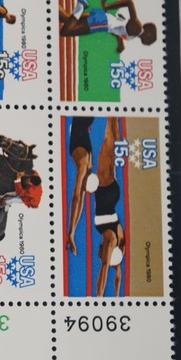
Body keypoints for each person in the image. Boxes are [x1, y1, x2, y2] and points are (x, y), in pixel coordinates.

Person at [90, 117, 128, 297]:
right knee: (109, 143)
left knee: (112, 145)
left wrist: (117, 294)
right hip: (105, 193)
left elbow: (118, 274)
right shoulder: (111, 241)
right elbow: (104, 269)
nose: (100, 253)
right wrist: (99, 298)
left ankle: (113, 116)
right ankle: (111, 115)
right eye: (102, 253)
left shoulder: (120, 243)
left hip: (111, 197)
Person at [59, 0, 157, 52]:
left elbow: (117, 30)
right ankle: (81, 5)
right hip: (101, 22)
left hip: (102, 19)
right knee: (66, 31)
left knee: (66, 19)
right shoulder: (138, 29)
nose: (149, 43)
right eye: (151, 39)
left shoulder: (135, 33)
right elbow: (129, 1)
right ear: (148, 33)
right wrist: (107, 6)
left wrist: (120, 45)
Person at [64, 116, 95, 256]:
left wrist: (71, 232)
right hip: (82, 138)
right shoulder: (87, 165)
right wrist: (72, 231)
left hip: (79, 140)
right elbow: (79, 197)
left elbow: (78, 197)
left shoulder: (84, 165)